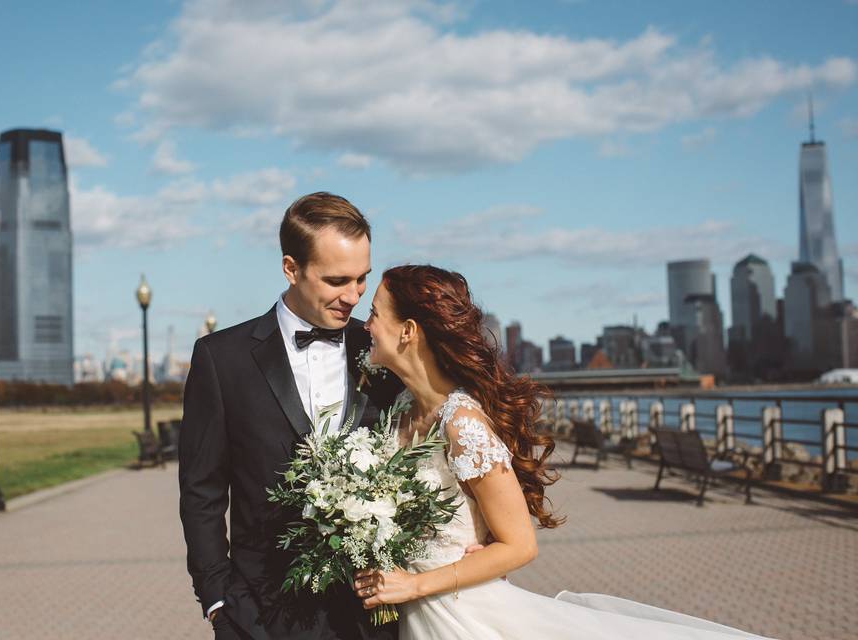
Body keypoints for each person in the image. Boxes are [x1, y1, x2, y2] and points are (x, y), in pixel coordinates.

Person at [352, 264, 777, 640]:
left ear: (408, 331)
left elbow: (520, 546)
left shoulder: (461, 423)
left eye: (374, 313)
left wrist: (415, 585)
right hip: (412, 614)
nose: (365, 324)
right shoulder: (400, 412)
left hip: (462, 616)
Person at [179, 193, 401, 639]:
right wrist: (218, 598)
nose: (353, 296)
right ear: (290, 268)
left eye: (362, 280)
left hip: (370, 614)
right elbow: (201, 490)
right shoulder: (222, 358)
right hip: (259, 612)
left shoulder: (381, 350)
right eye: (337, 280)